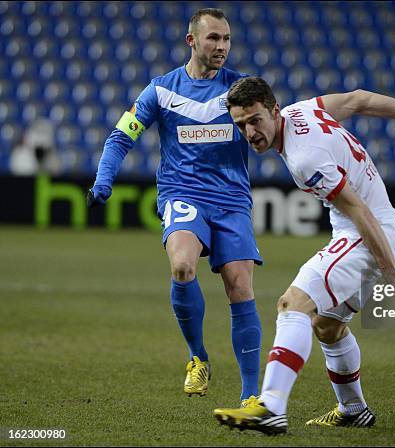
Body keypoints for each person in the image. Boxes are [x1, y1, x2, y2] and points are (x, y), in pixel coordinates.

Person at [213, 77, 395, 434]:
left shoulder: (304, 158)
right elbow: (359, 99)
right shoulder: (304, 110)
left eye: (255, 120)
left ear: (274, 110)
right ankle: (354, 409)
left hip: (365, 233)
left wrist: (392, 275)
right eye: (241, 125)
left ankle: (270, 406)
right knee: (327, 326)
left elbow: (360, 212)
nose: (250, 132)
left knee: (292, 304)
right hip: (372, 225)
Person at [86, 9, 263, 404]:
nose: (222, 46)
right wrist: (104, 179)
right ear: (192, 41)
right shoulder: (161, 90)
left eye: (227, 39)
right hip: (182, 193)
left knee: (239, 285)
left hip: (232, 199)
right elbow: (121, 137)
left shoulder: (241, 89)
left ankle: (251, 396)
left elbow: (271, 128)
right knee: (182, 265)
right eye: (214, 38)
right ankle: (198, 358)